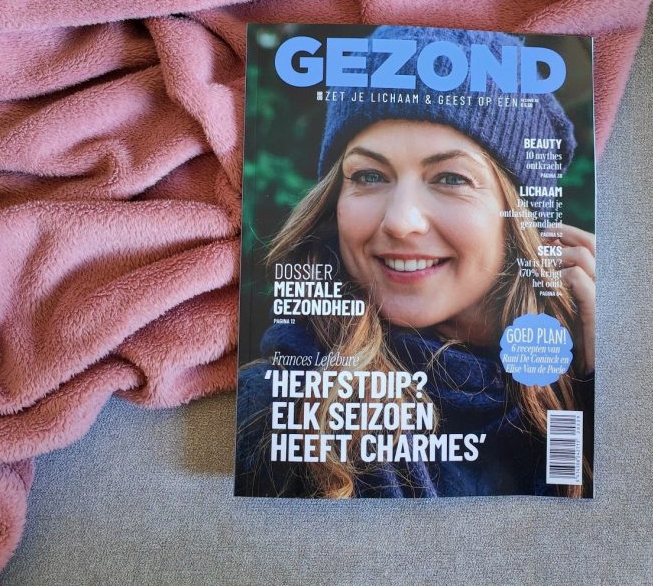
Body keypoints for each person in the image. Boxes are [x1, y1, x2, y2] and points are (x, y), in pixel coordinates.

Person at [235, 26, 595, 499]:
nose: (401, 221)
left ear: (519, 220)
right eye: (369, 175)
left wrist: (600, 383)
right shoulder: (272, 408)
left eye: (451, 178)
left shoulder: (575, 394)